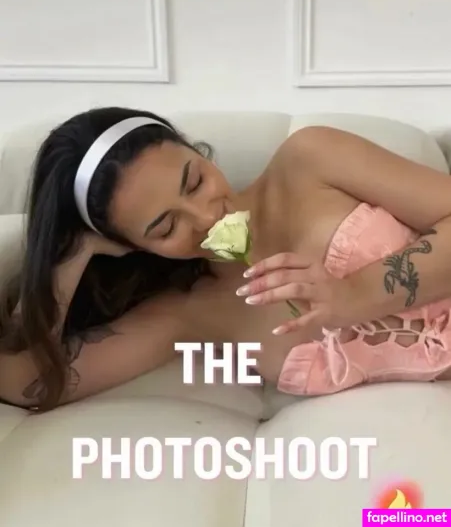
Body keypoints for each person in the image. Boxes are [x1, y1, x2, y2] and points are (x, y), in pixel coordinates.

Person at [2, 106, 451, 412]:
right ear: (132, 247)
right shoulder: (189, 312)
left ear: (194, 149)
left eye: (194, 181)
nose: (205, 216)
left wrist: (356, 293)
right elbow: (23, 383)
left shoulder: (310, 160)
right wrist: (71, 252)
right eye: (166, 227)